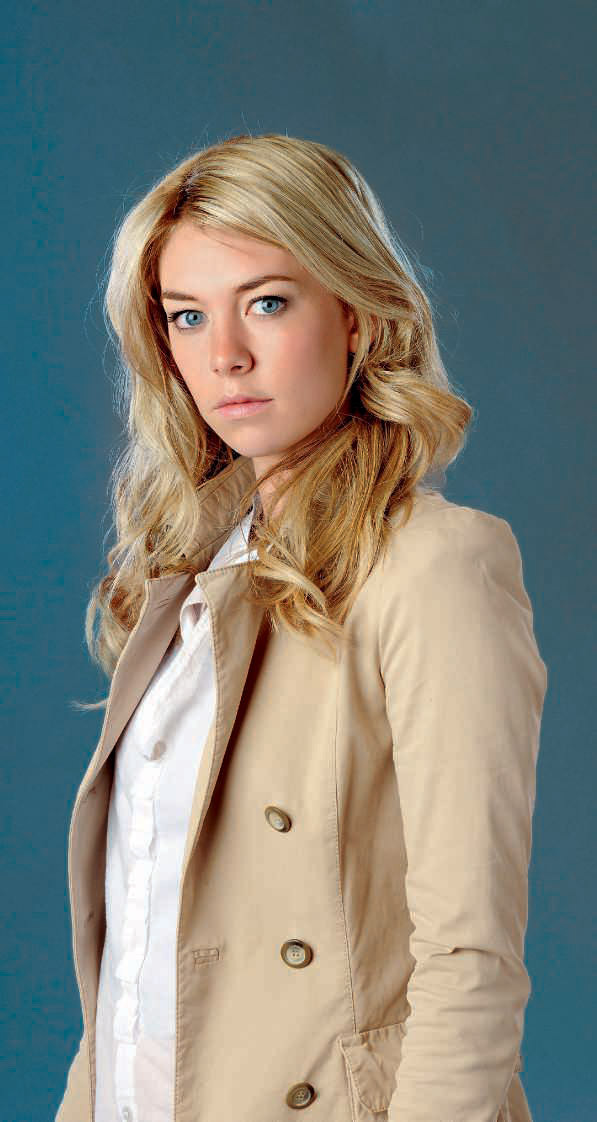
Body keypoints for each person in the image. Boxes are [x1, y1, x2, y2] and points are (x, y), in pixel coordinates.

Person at [55, 133, 547, 1122]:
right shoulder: (186, 574)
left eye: (268, 303)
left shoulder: (434, 567)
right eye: (188, 316)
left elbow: (470, 960)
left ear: (357, 316)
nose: (225, 355)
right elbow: (136, 944)